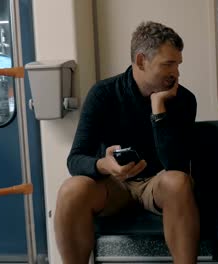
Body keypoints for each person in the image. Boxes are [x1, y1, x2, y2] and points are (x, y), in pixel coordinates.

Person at [54, 21, 199, 264]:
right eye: (168, 64)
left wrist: (158, 110)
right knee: (71, 190)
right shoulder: (104, 94)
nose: (176, 73)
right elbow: (76, 159)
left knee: (178, 181)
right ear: (141, 61)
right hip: (114, 185)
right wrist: (104, 165)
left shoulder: (183, 100)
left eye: (177, 63)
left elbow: (177, 165)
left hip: (157, 183)